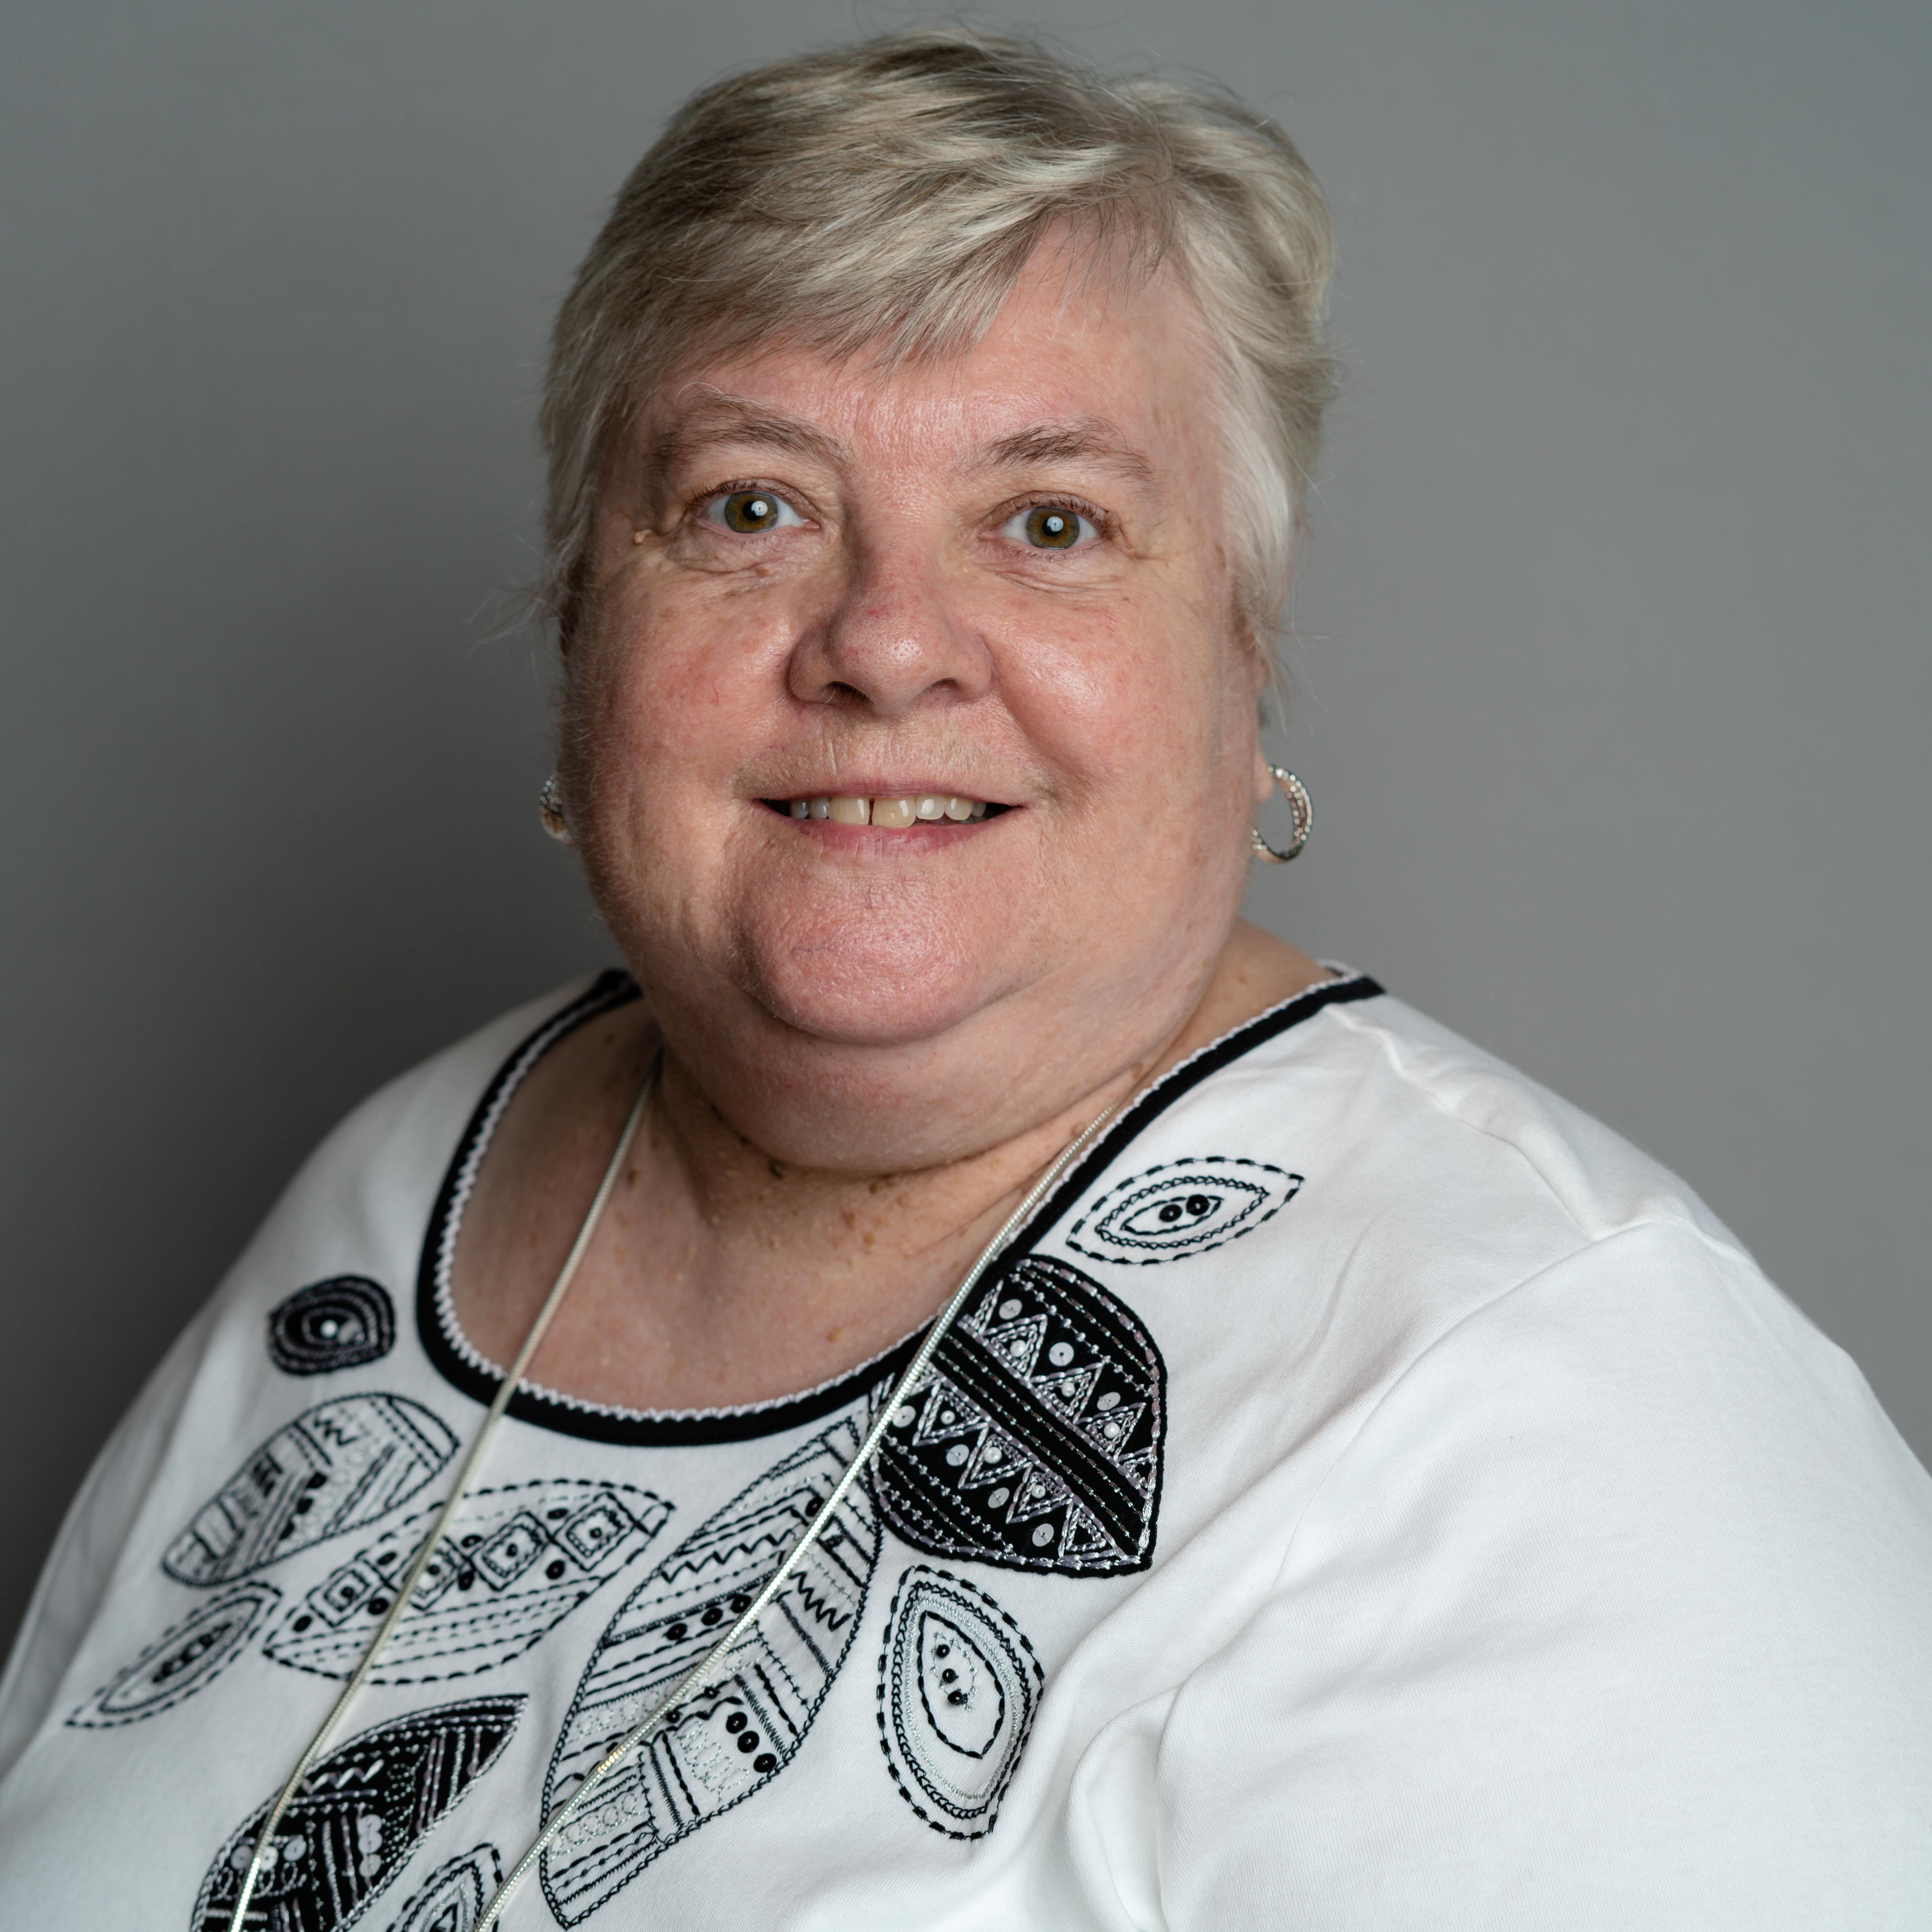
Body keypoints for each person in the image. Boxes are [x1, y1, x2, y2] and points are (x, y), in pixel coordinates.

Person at [1, 28, 1927, 1931]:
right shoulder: (398, 1189)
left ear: (1244, 645)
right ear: (584, 614)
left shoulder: (1568, 1414)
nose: (887, 644)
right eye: (752, 505)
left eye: (1050, 522)